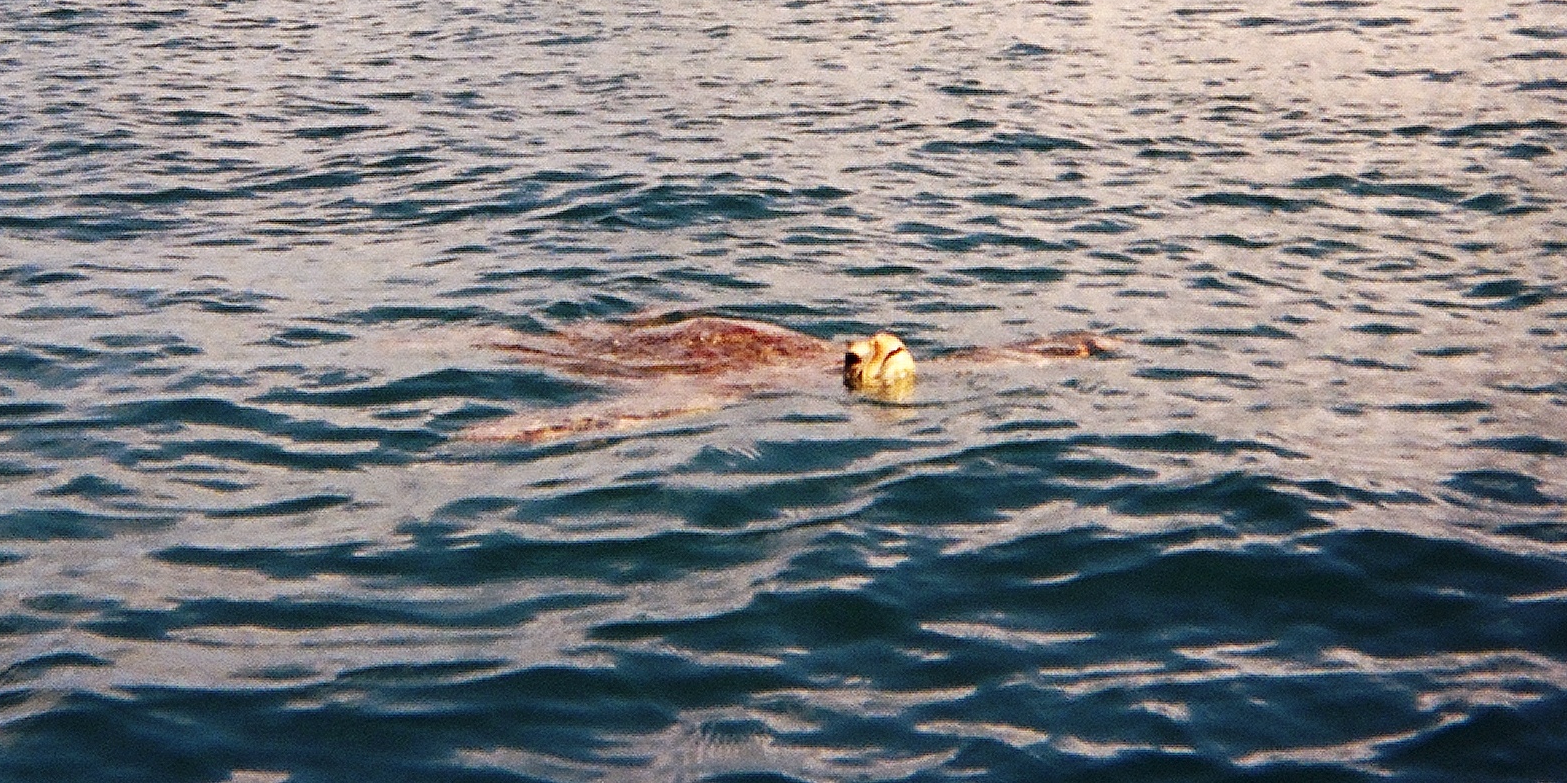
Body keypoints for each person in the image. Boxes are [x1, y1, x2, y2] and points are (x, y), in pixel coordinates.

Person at [461, 312, 1117, 442]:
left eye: (876, 349)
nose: (881, 349)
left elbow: (971, 360)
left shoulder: (894, 369)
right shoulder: (750, 389)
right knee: (529, 348)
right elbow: (658, 405)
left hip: (729, 337)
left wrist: (1069, 348)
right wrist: (529, 429)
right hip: (695, 351)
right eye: (861, 355)